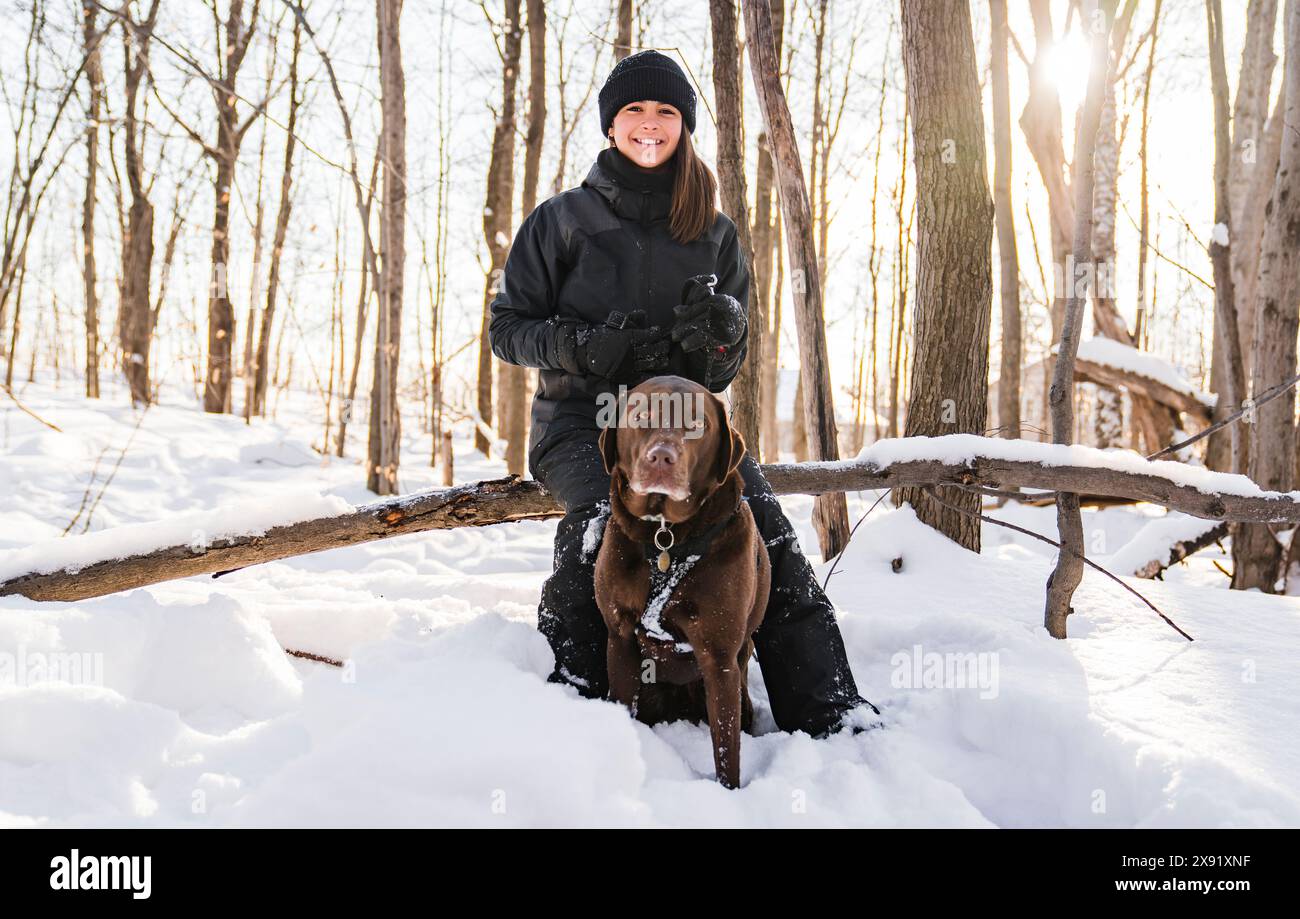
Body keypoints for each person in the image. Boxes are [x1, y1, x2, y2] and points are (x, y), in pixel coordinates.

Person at [488, 49, 878, 738]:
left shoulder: (715, 232)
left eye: (665, 111)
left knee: (770, 533)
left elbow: (722, 373)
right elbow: (507, 330)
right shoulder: (560, 221)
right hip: (584, 420)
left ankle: (832, 715)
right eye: (634, 110)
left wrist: (721, 341)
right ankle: (573, 715)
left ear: (684, 126)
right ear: (611, 125)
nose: (648, 123)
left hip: (686, 430)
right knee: (592, 532)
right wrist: (578, 347)